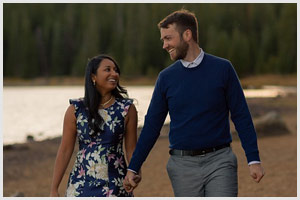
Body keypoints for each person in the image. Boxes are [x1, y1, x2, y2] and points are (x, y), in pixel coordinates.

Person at [123, 9, 265, 197]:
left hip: (220, 161)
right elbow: (151, 126)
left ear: (187, 35)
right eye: (163, 40)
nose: (165, 45)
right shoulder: (166, 78)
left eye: (168, 38)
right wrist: (134, 166)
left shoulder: (223, 69)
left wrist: (253, 158)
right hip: (182, 166)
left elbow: (241, 115)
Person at [50, 54, 140, 197]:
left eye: (116, 70)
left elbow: (131, 148)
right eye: (107, 69)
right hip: (81, 184)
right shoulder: (76, 109)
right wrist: (54, 189)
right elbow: (65, 150)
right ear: (93, 77)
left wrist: (135, 172)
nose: (114, 74)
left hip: (115, 183)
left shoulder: (126, 109)